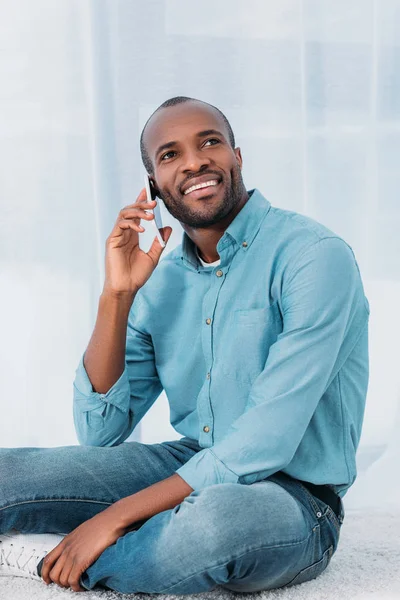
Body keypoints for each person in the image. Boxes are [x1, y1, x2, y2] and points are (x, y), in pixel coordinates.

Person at [0, 96, 369, 595]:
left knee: (215, 525)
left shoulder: (313, 257)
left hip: (292, 497)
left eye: (209, 142)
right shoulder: (162, 279)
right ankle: (133, 535)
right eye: (170, 154)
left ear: (237, 156)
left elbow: (267, 438)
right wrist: (118, 295)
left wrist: (117, 515)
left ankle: (60, 559)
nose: (195, 161)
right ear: (153, 183)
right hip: (189, 462)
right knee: (12, 472)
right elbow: (100, 430)